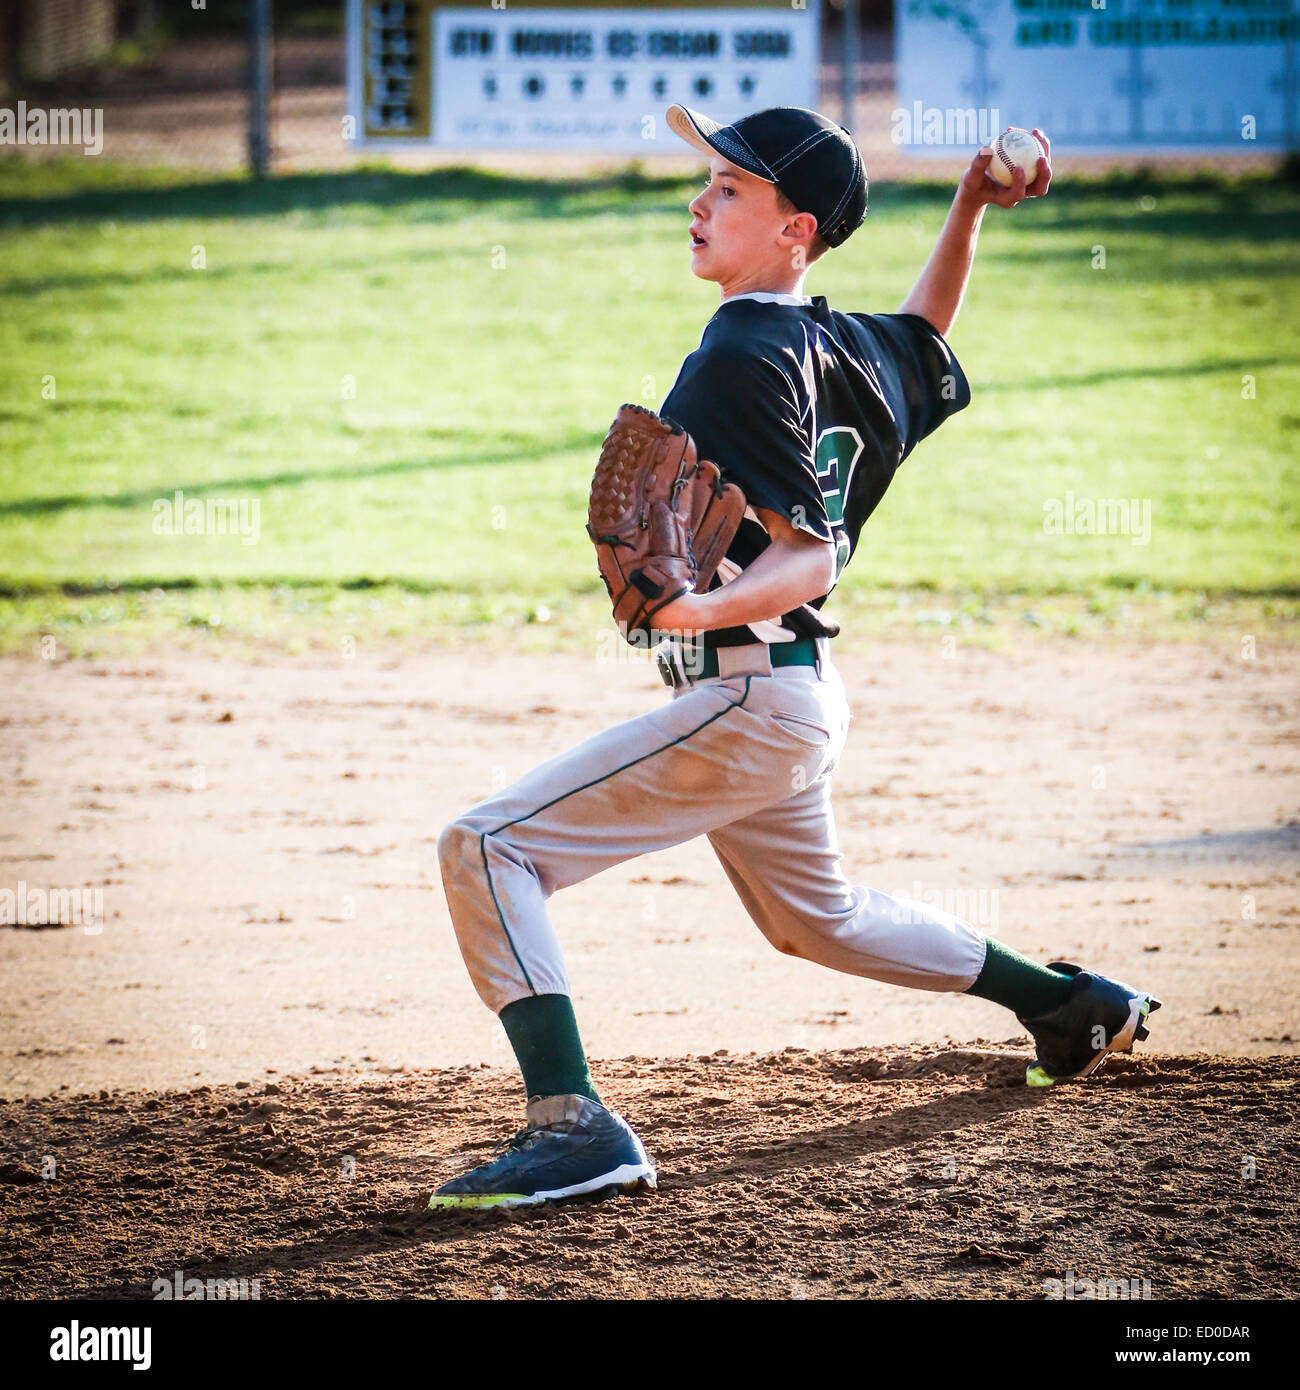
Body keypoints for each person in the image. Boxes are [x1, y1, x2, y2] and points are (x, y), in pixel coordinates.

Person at [429, 105, 1159, 1211]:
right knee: (815, 919)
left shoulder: (739, 349)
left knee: (485, 849)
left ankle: (572, 1124)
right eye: (705, 182)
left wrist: (679, 613)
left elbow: (812, 558)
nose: (699, 201)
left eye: (729, 187)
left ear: (793, 228)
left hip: (752, 691)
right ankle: (1068, 1006)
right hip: (794, 697)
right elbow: (928, 330)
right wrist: (969, 205)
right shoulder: (839, 342)